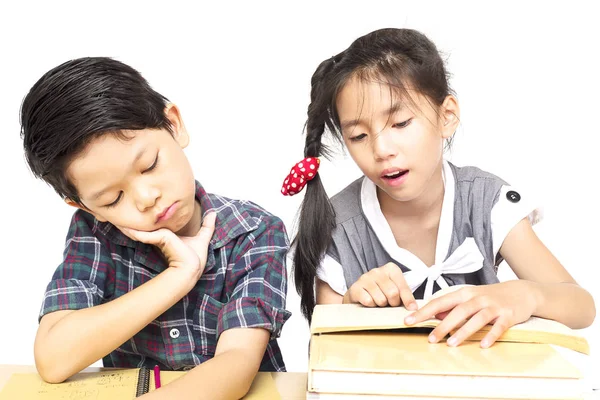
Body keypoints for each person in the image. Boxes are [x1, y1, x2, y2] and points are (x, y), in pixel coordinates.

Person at [285, 28, 595, 348]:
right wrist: (352, 304)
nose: (381, 150)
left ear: (446, 116)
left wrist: (526, 294)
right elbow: (324, 349)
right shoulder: (337, 226)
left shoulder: (483, 201)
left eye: (400, 123)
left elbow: (582, 307)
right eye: (359, 136)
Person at [21, 57, 290, 399]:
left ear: (174, 124)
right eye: (113, 198)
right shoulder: (95, 233)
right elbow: (54, 358)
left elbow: (236, 364)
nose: (146, 199)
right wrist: (178, 276)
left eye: (149, 166)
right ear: (86, 207)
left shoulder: (253, 231)